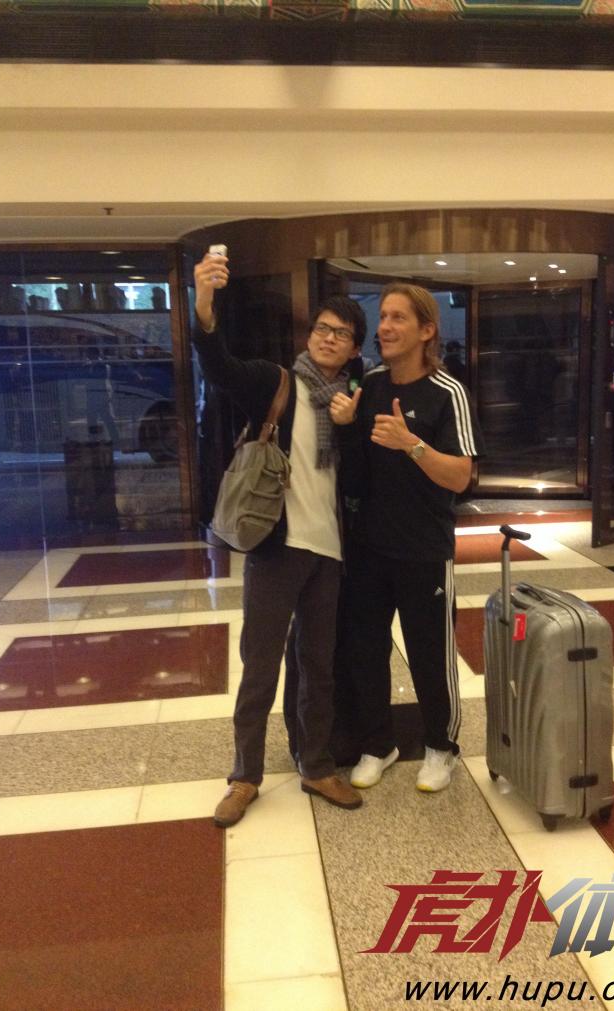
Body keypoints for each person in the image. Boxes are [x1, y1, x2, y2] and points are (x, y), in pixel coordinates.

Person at [193, 249, 367, 827]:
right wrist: (204, 301)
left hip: (329, 554)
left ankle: (315, 765)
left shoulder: (352, 403)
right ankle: (244, 776)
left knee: (319, 667)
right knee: (260, 666)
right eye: (322, 329)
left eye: (341, 334)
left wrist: (351, 429)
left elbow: (359, 483)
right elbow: (219, 366)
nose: (328, 338)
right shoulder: (278, 383)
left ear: (354, 349)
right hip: (277, 549)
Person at [331, 282, 486, 793]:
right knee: (365, 650)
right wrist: (348, 426)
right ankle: (378, 744)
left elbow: (460, 477)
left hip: (424, 549)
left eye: (398, 318)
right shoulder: (372, 384)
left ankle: (441, 747)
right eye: (383, 317)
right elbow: (356, 471)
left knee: (429, 653)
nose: (385, 327)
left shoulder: (447, 392)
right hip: (369, 547)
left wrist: (411, 444)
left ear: (426, 330)